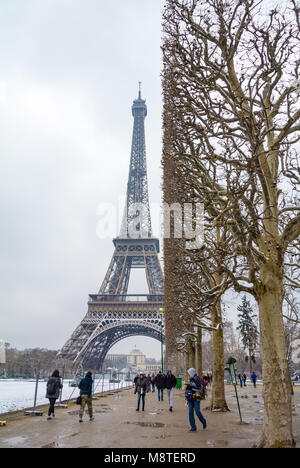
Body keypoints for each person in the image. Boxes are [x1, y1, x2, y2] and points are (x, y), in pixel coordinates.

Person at [186, 368, 207, 432]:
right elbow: (190, 388)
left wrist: (191, 387)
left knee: (197, 412)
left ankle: (204, 421)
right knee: (190, 412)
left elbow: (199, 389)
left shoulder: (197, 379)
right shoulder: (191, 379)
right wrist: (188, 388)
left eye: (189, 373)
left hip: (196, 398)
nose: (189, 375)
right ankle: (193, 427)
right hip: (190, 398)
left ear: (192, 373)